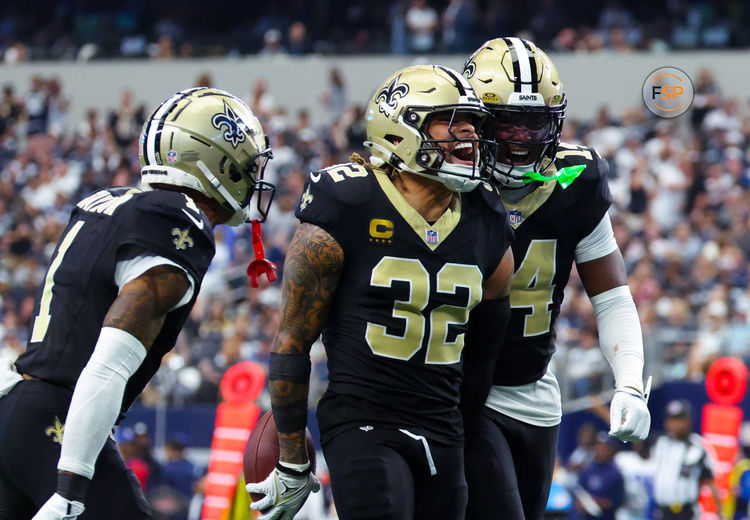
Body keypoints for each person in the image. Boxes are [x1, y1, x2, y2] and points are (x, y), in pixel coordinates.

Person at [246, 64, 515, 520]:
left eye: (473, 123)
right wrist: (292, 457)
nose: (470, 134)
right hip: (364, 418)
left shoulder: (485, 217)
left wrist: (464, 428)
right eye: (451, 121)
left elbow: (486, 351)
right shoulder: (348, 202)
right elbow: (292, 340)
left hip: (443, 425)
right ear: (400, 131)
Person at [0, 87, 275, 519]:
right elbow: (109, 360)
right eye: (245, 163)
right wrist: (72, 485)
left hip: (18, 411)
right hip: (58, 420)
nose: (253, 176)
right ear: (213, 158)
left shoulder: (108, 202)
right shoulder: (177, 219)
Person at [462, 37, 651, 520]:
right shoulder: (449, 185)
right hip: (461, 390)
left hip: (536, 388)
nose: (524, 139)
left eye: (536, 124)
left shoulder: (573, 181)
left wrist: (629, 383)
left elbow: (610, 296)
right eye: (509, 124)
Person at [652, 400, 722, 520]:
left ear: (687, 421)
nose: (673, 424)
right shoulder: (660, 443)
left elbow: (711, 482)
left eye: (677, 419)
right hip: (662, 511)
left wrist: (720, 513)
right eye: (671, 419)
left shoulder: (699, 446)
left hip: (685, 512)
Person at [574, 432, 625, 520]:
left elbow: (617, 501)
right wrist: (581, 503)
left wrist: (595, 502)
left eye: (604, 447)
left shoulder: (616, 474)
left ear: (610, 450)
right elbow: (578, 493)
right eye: (597, 446)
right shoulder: (587, 470)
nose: (600, 450)